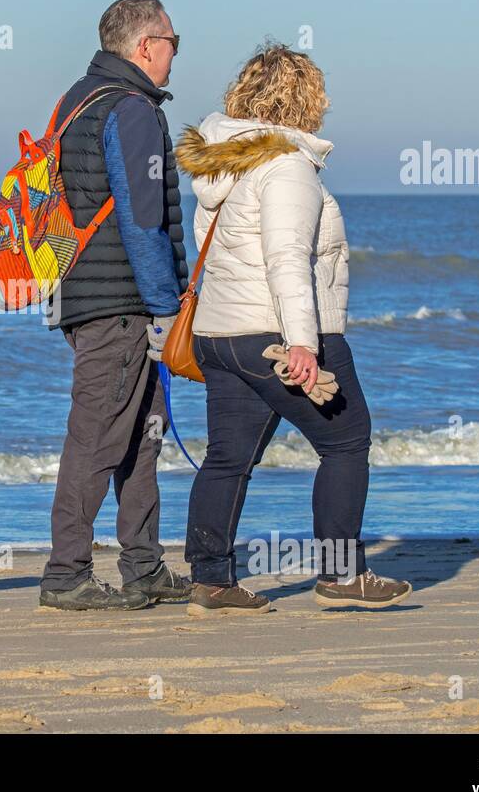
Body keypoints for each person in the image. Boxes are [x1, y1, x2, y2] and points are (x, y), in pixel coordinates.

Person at [173, 41, 412, 615]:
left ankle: (210, 580)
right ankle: (340, 573)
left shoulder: (224, 162)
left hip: (221, 335)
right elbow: (286, 259)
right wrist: (304, 344)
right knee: (346, 441)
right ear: (306, 100)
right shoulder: (287, 166)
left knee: (228, 457)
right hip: (276, 336)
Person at [38, 0, 192, 611]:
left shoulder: (75, 99)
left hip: (82, 294)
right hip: (121, 304)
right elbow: (142, 219)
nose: (175, 54)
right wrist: (167, 308)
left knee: (141, 434)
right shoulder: (130, 111)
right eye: (174, 41)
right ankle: (66, 573)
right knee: (99, 436)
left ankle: (144, 566)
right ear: (145, 46)